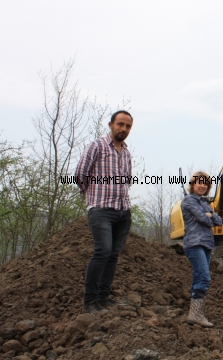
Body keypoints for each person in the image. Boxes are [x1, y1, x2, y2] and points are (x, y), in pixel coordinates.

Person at [74, 110, 133, 315]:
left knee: (113, 255)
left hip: (123, 212)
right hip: (101, 210)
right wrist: (90, 197)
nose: (123, 129)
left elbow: (127, 180)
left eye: (127, 126)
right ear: (111, 125)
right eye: (120, 124)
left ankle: (103, 299)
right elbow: (80, 173)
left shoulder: (126, 152)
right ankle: (89, 302)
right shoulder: (97, 146)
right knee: (103, 251)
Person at [182, 171, 222, 327]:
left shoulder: (205, 203)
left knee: (199, 277)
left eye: (205, 184)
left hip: (206, 243)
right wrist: (209, 216)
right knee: (204, 277)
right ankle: (196, 314)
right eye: (199, 183)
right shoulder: (189, 201)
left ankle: (194, 314)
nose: (202, 186)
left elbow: (218, 220)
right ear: (193, 184)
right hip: (194, 243)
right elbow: (205, 219)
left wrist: (210, 215)